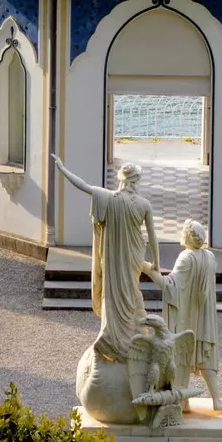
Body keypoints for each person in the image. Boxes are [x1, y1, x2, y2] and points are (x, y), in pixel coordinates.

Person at [50, 154, 159, 362]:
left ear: (121, 180)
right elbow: (153, 239)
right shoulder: (144, 205)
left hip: (114, 261)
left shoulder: (108, 198)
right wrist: (157, 263)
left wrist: (63, 169)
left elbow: (83, 186)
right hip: (132, 260)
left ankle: (115, 338)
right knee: (132, 297)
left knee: (114, 296)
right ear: (135, 182)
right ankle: (121, 342)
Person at [147, 219, 222, 413]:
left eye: (183, 232)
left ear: (189, 236)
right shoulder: (209, 257)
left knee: (181, 356)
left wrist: (148, 271)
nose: (181, 235)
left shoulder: (185, 258)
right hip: (204, 318)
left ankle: (183, 401)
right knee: (203, 355)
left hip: (187, 317)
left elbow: (170, 287)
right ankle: (215, 399)